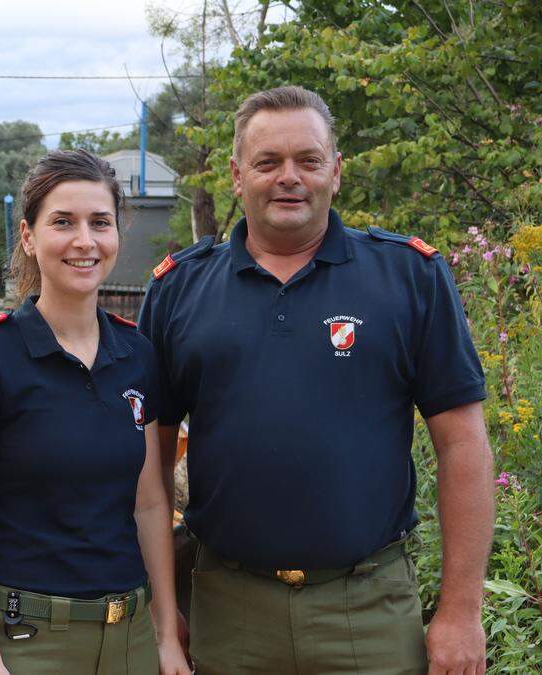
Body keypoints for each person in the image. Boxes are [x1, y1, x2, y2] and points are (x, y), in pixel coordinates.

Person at [139, 86, 494, 674]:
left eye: (307, 160)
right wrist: (159, 605)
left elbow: (463, 447)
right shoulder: (179, 289)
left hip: (369, 608)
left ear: (335, 170)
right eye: (267, 162)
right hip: (225, 610)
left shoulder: (410, 277)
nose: (289, 177)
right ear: (235, 174)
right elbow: (146, 460)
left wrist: (461, 608)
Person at [0, 149, 191, 675]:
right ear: (29, 237)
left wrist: (167, 635)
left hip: (130, 638)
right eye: (63, 222)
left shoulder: (138, 354)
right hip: (24, 641)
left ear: (117, 235)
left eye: (100, 223)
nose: (85, 240)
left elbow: (149, 505)